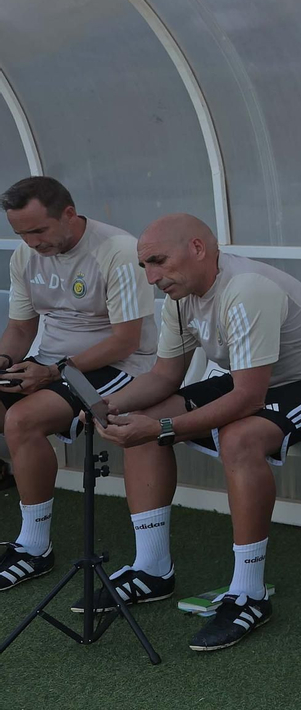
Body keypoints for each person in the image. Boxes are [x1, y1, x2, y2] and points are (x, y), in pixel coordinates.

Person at [97, 214, 301, 650]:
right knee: (139, 417)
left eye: (159, 261)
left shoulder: (246, 288)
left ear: (198, 248)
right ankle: (152, 569)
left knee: (239, 438)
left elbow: (247, 400)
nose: (151, 277)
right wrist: (111, 406)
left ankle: (249, 594)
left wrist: (163, 427)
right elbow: (165, 377)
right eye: (145, 266)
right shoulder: (180, 296)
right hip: (259, 377)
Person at [0, 177, 155, 591]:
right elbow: (19, 328)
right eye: (21, 233)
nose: (32, 242)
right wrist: (3, 363)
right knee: (12, 412)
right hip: (51, 361)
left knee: (21, 420)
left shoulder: (119, 251)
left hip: (120, 364)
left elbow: (127, 339)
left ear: (69, 214)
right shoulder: (25, 256)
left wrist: (51, 372)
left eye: (38, 230)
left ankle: (34, 549)